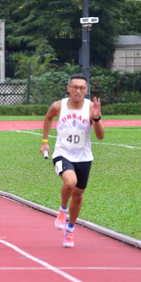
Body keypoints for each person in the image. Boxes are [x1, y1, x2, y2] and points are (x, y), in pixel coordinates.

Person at [39, 75, 104, 247]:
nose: (78, 91)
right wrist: (45, 142)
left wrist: (96, 118)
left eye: (82, 88)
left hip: (84, 157)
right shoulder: (58, 106)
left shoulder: (90, 107)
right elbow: (48, 118)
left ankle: (70, 229)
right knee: (70, 182)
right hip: (62, 154)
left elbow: (100, 136)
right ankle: (62, 210)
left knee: (78, 195)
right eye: (75, 87)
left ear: (86, 90)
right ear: (68, 88)